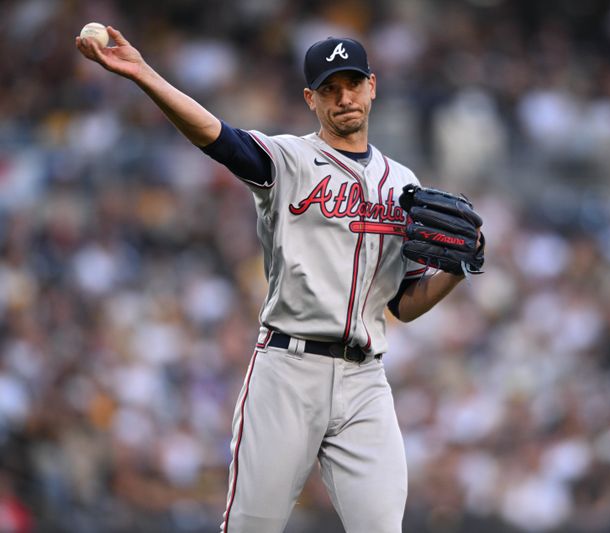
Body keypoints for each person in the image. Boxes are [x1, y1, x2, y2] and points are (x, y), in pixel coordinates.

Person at [76, 27, 479, 533]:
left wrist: (460, 270)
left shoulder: (404, 184)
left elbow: (402, 305)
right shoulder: (287, 160)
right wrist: (142, 74)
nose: (344, 97)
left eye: (352, 83)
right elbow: (215, 136)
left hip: (364, 381)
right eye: (330, 88)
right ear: (311, 98)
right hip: (288, 371)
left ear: (373, 86)